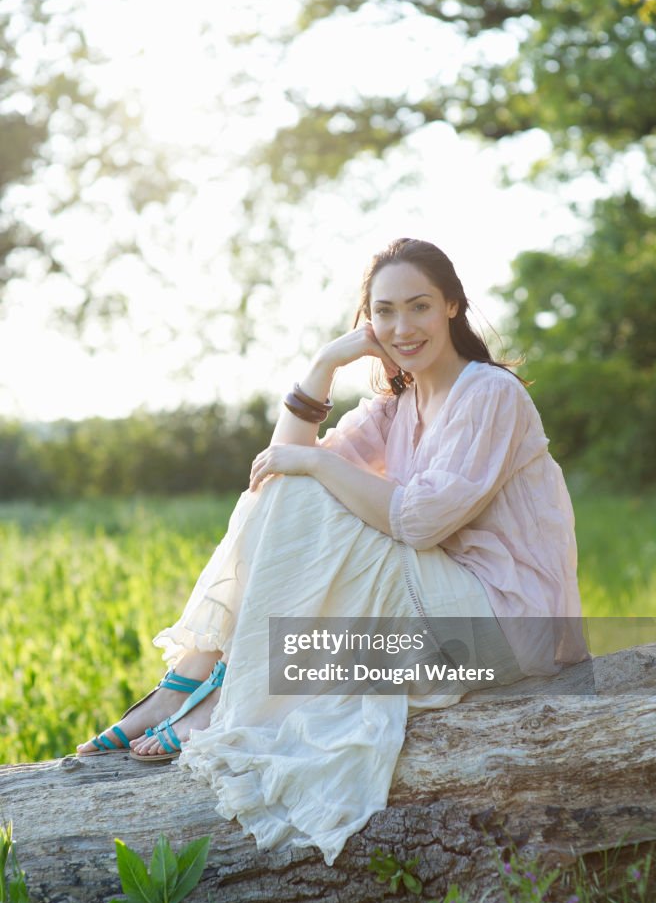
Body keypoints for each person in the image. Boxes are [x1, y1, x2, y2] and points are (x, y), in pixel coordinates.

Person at [77, 237, 586, 865]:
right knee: (292, 485)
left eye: (420, 306)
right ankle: (189, 681)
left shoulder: (490, 394)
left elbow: (420, 521)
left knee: (309, 483)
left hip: (506, 620)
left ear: (452, 305)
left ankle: (214, 691)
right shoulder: (398, 406)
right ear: (368, 321)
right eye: (385, 311)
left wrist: (315, 464)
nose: (402, 327)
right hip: (442, 600)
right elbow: (274, 470)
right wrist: (323, 365)